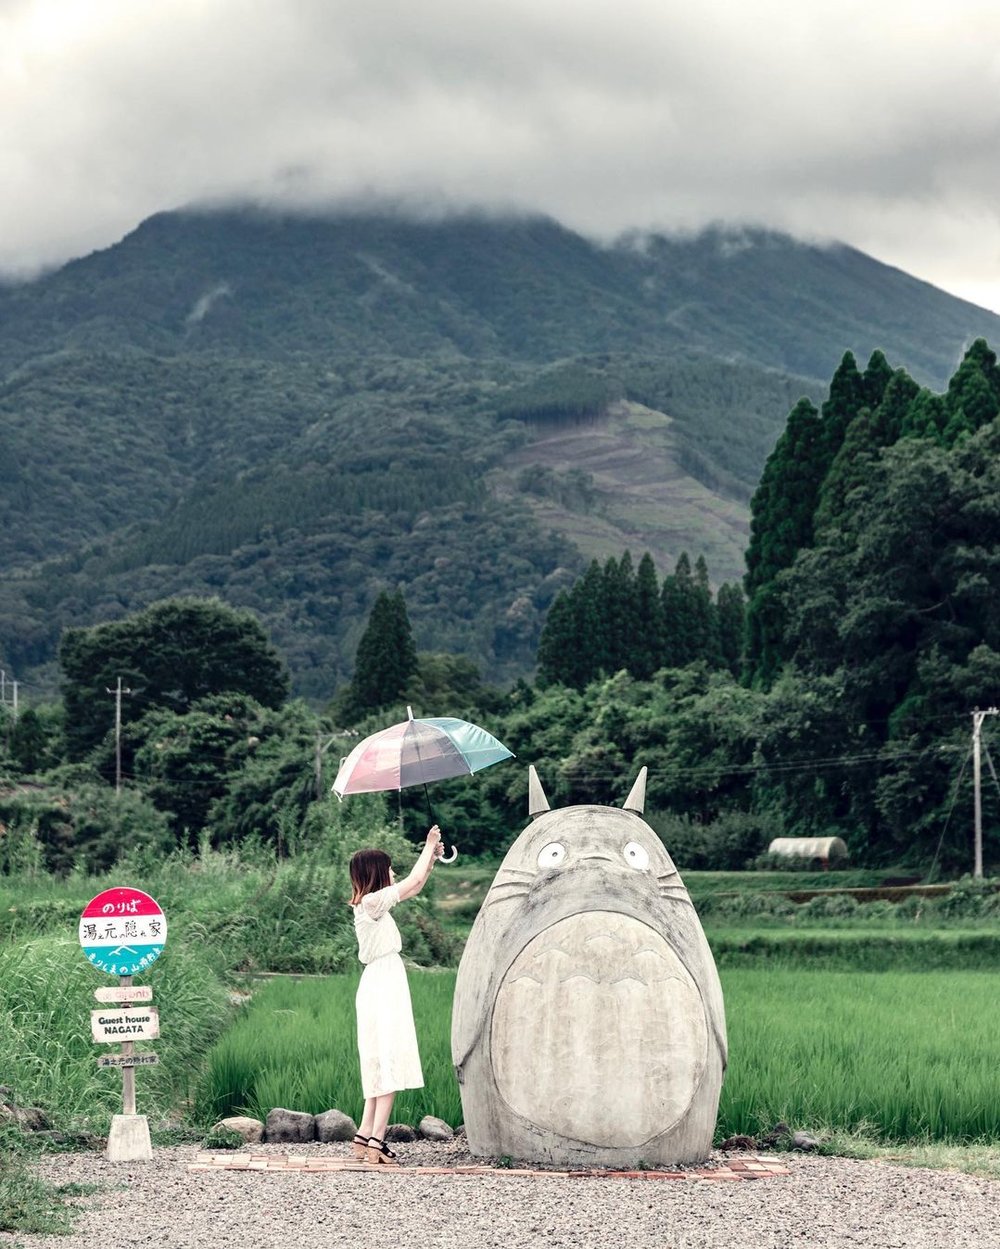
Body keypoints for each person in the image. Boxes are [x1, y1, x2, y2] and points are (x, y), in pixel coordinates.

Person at [348, 824, 444, 1166]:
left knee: (378, 1058)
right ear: (376, 872)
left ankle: (363, 1134)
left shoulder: (370, 905)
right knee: (387, 1058)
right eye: (388, 867)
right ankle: (377, 1140)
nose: (392, 872)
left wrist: (431, 859)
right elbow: (411, 883)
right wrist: (429, 843)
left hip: (378, 980)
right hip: (384, 982)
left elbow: (415, 885)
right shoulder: (373, 902)